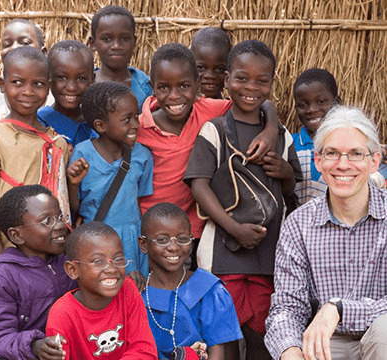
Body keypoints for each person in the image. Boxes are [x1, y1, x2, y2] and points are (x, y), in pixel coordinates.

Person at [184, 40, 302, 360]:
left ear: (272, 84)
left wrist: (284, 172)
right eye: (242, 78)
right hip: (223, 253)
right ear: (226, 81)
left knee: (262, 339)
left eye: (262, 80)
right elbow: (199, 185)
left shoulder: (281, 136)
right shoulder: (215, 130)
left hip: (268, 256)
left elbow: (291, 192)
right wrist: (233, 228)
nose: (251, 87)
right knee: (222, 339)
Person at [137, 43, 280, 270]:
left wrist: (271, 129)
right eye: (164, 87)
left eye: (184, 86)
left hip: (193, 231)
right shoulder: (139, 128)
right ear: (152, 87)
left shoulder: (208, 110)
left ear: (198, 86)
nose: (174, 96)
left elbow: (261, 103)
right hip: (151, 232)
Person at [265, 105, 387, 360]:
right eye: (332, 153)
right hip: (329, 343)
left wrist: (339, 309)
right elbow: (286, 308)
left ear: (374, 161)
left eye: (355, 154)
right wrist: (290, 351)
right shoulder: (299, 224)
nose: (343, 165)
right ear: (318, 161)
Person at [68, 81, 153, 282]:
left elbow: (140, 204)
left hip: (131, 241)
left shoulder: (142, 156)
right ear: (101, 125)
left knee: (133, 289)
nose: (135, 124)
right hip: (94, 239)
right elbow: (75, 208)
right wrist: (73, 184)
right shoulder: (83, 153)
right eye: (126, 119)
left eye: (136, 116)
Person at [137, 202, 243, 360]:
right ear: (143, 245)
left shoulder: (208, 289)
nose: (174, 247)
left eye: (182, 238)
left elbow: (218, 352)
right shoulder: (136, 292)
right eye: (162, 240)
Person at [46, 221, 157, 360]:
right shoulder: (61, 314)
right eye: (98, 261)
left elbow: (144, 349)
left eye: (118, 259)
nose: (111, 269)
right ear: (72, 270)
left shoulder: (127, 289)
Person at [0, 46, 70, 255]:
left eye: (37, 84)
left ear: (48, 88)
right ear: (3, 85)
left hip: (50, 251)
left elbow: (64, 201)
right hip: (10, 249)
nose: (28, 91)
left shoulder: (58, 143)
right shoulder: (0, 136)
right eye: (17, 82)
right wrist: (0, 256)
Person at [0, 185, 76, 360]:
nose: (60, 225)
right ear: (17, 235)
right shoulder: (3, 277)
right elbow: (0, 337)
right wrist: (34, 346)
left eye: (60, 217)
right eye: (47, 221)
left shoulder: (68, 264)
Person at [87, 5, 152, 112]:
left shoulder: (148, 88)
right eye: (107, 39)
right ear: (93, 43)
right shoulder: (83, 86)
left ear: (134, 42)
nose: (116, 46)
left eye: (124, 39)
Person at [38, 40, 97, 150]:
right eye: (61, 77)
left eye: (81, 79)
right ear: (48, 77)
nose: (71, 87)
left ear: (92, 80)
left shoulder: (97, 125)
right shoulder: (39, 123)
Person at [292, 68, 340, 204]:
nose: (311, 110)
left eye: (320, 102)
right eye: (303, 104)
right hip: (296, 223)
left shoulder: (348, 147)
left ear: (337, 103)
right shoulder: (290, 144)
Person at [0, 19, 53, 120]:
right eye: (7, 44)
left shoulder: (55, 100)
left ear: (44, 52)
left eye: (24, 42)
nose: (14, 48)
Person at [190, 27, 231, 99]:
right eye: (201, 68)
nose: (210, 76)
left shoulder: (233, 108)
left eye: (219, 69)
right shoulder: (178, 108)